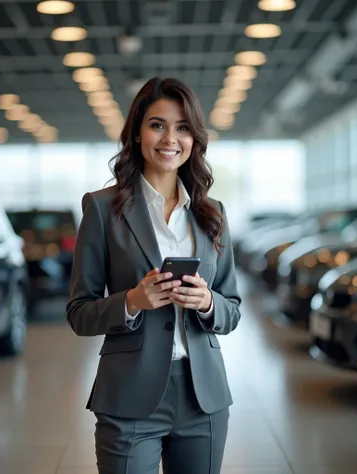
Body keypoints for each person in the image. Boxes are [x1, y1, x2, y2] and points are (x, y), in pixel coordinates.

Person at [67, 77, 241, 474]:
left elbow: (232, 308)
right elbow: (79, 312)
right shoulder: (102, 208)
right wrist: (133, 301)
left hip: (204, 399)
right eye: (157, 124)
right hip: (129, 396)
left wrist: (208, 302)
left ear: (195, 138)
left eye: (183, 128)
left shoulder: (211, 213)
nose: (170, 139)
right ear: (137, 132)